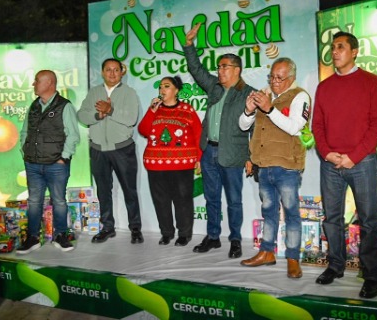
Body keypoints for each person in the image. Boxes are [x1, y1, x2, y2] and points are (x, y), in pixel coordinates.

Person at [312, 31, 377, 299]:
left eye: (341, 47)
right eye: (333, 47)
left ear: (354, 52)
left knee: (368, 221)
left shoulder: (371, 82)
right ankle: (335, 265)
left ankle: (372, 275)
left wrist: (353, 156)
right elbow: (317, 126)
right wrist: (326, 153)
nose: (335, 51)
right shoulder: (324, 87)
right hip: (331, 163)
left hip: (363, 162)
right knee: (332, 218)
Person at [183, 23, 255, 259]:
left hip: (232, 154)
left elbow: (255, 128)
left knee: (234, 200)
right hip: (209, 152)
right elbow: (195, 69)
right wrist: (189, 44)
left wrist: (251, 157)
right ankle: (213, 237)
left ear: (237, 70)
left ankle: (235, 240)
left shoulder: (248, 93)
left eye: (224, 67)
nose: (220, 70)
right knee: (211, 198)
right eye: (219, 67)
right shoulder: (214, 87)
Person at [238, 58, 311, 279]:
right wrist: (249, 110)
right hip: (264, 165)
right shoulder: (264, 93)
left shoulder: (300, 96)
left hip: (287, 166)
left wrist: (269, 108)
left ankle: (292, 259)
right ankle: (267, 252)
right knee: (268, 211)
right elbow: (243, 125)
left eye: (280, 78)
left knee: (291, 212)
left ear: (291, 78)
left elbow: (294, 127)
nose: (274, 82)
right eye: (272, 77)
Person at [77, 58, 143, 244]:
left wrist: (110, 110)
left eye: (116, 70)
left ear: (122, 72)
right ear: (102, 72)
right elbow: (81, 115)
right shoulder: (94, 92)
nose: (112, 73)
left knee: (130, 191)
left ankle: (135, 229)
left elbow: (131, 119)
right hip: (98, 149)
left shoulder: (129, 93)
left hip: (122, 149)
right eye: (108, 69)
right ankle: (107, 227)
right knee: (103, 191)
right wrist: (98, 115)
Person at [17, 70, 80, 254]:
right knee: (33, 202)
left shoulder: (65, 106)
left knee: (59, 201)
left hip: (55, 165)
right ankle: (33, 238)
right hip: (33, 164)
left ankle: (60, 236)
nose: (33, 84)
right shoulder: (34, 105)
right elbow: (25, 131)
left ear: (49, 83)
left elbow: (73, 135)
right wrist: (25, 150)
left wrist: (64, 158)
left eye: (37, 81)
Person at [137, 76, 202, 246]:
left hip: (182, 164)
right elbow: (143, 130)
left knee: (183, 199)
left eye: (166, 86)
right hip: (156, 164)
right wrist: (151, 111)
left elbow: (198, 134)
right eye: (160, 87)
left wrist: (199, 158)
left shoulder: (187, 110)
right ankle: (166, 233)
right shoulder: (155, 110)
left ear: (176, 90)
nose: (162, 90)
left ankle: (184, 234)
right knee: (161, 200)